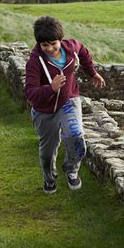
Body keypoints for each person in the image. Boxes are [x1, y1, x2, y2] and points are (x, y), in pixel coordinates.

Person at [25, 16, 106, 194]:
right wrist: (51, 89)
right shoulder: (34, 62)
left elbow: (84, 52)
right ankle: (49, 178)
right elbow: (30, 94)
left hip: (68, 101)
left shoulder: (72, 47)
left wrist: (93, 73)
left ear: (60, 39)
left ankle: (71, 169)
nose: (50, 49)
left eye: (53, 43)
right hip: (44, 110)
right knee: (47, 152)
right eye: (44, 45)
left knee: (77, 137)